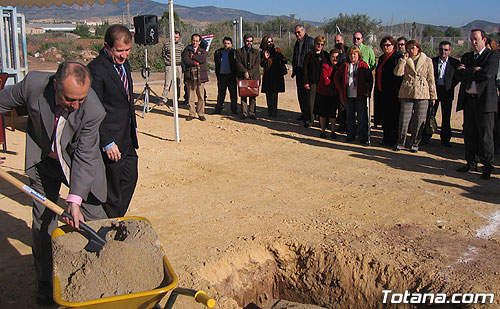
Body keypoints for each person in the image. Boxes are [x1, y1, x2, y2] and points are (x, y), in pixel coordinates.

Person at [0, 62, 108, 306]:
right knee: (43, 222)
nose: (76, 105)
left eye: (81, 99)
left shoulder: (92, 109)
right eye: (71, 99)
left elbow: (85, 155)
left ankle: (101, 279)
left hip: (78, 165)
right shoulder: (33, 85)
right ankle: (46, 282)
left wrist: (75, 199)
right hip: (43, 163)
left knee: (95, 220)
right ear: (56, 84)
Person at [87, 24, 138, 218]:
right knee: (113, 186)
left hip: (126, 136)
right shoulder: (96, 70)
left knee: (130, 176)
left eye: (127, 50)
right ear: (107, 46)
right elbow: (93, 111)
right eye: (119, 51)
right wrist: (106, 141)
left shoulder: (125, 65)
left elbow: (126, 102)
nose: (124, 55)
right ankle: (108, 223)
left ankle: (115, 218)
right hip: (111, 140)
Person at [455, 29, 499, 179]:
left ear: (484, 40)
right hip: (469, 101)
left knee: (485, 135)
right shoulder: (467, 56)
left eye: (476, 39)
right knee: (469, 133)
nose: (473, 42)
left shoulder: (492, 55)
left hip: (485, 102)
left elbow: (488, 74)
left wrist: (468, 71)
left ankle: (487, 166)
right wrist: (473, 70)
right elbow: (458, 74)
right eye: (472, 39)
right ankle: (470, 162)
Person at [393, 39, 437, 153]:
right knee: (404, 119)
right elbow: (398, 73)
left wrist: (433, 96)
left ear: (418, 47)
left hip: (422, 92)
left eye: (413, 47)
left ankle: (414, 143)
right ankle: (401, 142)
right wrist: (403, 60)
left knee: (419, 120)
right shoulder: (404, 60)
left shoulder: (427, 60)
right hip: (407, 91)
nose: (412, 50)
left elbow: (431, 79)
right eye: (409, 48)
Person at [421, 41, 461, 147]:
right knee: (430, 114)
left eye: (446, 50)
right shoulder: (432, 61)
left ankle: (445, 139)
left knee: (446, 116)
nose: (443, 52)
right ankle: (426, 138)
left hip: (447, 91)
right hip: (434, 91)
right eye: (441, 49)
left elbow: (458, 77)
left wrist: (451, 85)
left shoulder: (454, 63)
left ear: (450, 51)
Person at [334, 46, 373, 144]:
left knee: (361, 117)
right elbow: (336, 78)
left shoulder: (363, 65)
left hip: (360, 95)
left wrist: (368, 90)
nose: (352, 56)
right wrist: (341, 90)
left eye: (354, 54)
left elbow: (369, 80)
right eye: (351, 54)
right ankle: (351, 135)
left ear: (358, 55)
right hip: (348, 95)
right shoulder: (345, 66)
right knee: (350, 116)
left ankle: (362, 137)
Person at [374, 36, 403, 146]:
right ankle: (386, 138)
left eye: (388, 45)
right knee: (384, 116)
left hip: (393, 93)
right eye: (383, 45)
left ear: (393, 45)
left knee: (393, 117)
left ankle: (394, 140)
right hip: (382, 92)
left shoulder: (397, 57)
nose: (385, 47)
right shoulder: (382, 58)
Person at [303, 36, 330, 128]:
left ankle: (323, 123)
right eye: (318, 44)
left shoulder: (326, 55)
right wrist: (306, 82)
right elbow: (305, 69)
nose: (319, 46)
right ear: (314, 43)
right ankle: (310, 120)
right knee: (311, 102)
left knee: (323, 102)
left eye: (322, 44)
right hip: (312, 82)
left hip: (323, 82)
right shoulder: (309, 55)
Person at [314, 49, 342, 138]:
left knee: (332, 114)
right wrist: (335, 82)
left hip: (334, 94)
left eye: (337, 57)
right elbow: (324, 80)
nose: (334, 59)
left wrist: (330, 80)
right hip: (323, 93)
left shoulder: (340, 67)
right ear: (329, 57)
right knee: (322, 113)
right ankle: (323, 130)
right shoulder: (325, 66)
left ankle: (332, 131)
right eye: (333, 57)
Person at [182, 33, 209, 121]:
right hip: (190, 76)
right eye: (193, 40)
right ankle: (191, 113)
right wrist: (195, 62)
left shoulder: (203, 50)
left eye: (197, 41)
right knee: (191, 96)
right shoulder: (187, 50)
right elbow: (186, 61)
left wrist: (193, 56)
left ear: (200, 42)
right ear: (191, 40)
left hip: (201, 76)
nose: (195, 42)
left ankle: (201, 113)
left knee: (201, 96)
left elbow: (202, 59)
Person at [260, 35, 287, 117]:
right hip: (268, 75)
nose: (270, 43)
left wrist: (280, 57)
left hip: (276, 74)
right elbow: (262, 64)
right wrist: (265, 58)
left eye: (271, 41)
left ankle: (274, 111)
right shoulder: (263, 52)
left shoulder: (277, 50)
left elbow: (284, 59)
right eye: (268, 41)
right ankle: (269, 110)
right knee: (268, 93)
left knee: (275, 93)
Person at [291, 25, 315, 121]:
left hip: (308, 72)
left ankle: (310, 116)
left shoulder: (310, 42)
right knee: (301, 94)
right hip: (299, 71)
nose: (297, 34)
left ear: (303, 31)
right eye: (295, 33)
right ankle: (304, 113)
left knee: (308, 96)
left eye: (298, 32)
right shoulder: (297, 43)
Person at [235, 34, 261, 120]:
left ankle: (252, 113)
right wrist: (245, 72)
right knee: (243, 94)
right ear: (244, 41)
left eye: (251, 41)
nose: (249, 43)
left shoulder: (257, 52)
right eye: (247, 41)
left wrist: (249, 73)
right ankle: (244, 113)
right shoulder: (238, 52)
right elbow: (238, 63)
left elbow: (257, 65)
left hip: (254, 76)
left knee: (253, 95)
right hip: (242, 76)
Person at [213, 37, 238, 115]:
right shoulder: (218, 52)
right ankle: (218, 109)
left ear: (231, 44)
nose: (226, 45)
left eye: (228, 43)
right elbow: (217, 64)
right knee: (221, 94)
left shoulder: (234, 53)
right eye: (225, 43)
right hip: (222, 76)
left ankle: (234, 109)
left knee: (233, 94)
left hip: (231, 76)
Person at [160, 30, 184, 105]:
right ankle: (164, 98)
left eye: (176, 37)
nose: (175, 39)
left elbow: (183, 55)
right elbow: (163, 54)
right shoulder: (167, 45)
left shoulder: (181, 46)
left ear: (179, 37)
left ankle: (176, 99)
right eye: (174, 37)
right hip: (169, 66)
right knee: (167, 83)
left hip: (178, 66)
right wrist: (167, 61)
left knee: (178, 83)